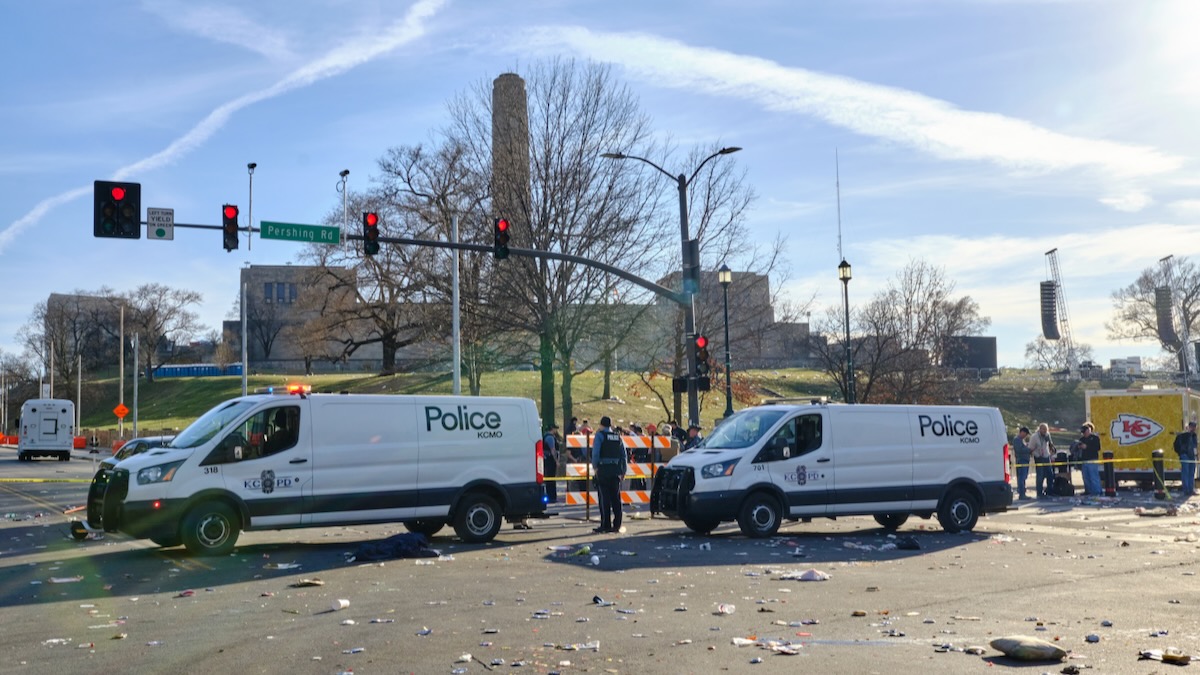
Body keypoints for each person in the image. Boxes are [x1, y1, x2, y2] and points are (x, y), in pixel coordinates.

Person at [590, 416, 626, 534]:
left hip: (603, 469)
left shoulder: (600, 436)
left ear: (601, 425)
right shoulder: (617, 436)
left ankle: (605, 524)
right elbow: (623, 455)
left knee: (604, 498)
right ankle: (617, 524)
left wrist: (595, 467)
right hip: (615, 470)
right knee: (616, 498)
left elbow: (596, 453)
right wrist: (623, 470)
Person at [1027, 423, 1056, 498]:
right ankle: (1039, 492)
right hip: (1039, 457)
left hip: (1046, 456)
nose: (1045, 431)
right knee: (1040, 475)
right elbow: (1030, 448)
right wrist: (1035, 454)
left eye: (1046, 430)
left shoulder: (1047, 435)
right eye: (1043, 429)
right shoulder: (1034, 437)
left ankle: (1050, 491)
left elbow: (1050, 444)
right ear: (1040, 429)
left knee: (1050, 474)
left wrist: (1052, 450)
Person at [1174, 421, 1198, 497]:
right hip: (1185, 455)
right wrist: (1181, 453)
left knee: (1191, 473)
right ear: (1189, 427)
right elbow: (1177, 445)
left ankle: (1191, 489)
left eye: (1194, 427)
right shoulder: (1183, 435)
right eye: (1192, 426)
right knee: (1186, 472)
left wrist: (1196, 454)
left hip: (1192, 456)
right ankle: (1186, 490)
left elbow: (1195, 446)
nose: (1193, 428)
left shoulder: (1194, 435)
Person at [1077, 422, 1102, 496]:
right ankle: (1088, 490)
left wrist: (1087, 447)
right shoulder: (1082, 439)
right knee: (1086, 477)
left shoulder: (1095, 438)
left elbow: (1097, 448)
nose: (1084, 434)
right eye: (1083, 432)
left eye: (1085, 432)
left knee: (1093, 476)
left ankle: (1097, 491)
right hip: (1084, 460)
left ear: (1089, 430)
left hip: (1092, 459)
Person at [1011, 426, 1032, 500]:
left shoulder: (1022, 440)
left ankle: (1023, 492)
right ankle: (1021, 493)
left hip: (1025, 460)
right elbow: (1019, 450)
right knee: (1021, 477)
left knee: (1023, 477)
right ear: (1022, 432)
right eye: (1025, 434)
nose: (1026, 436)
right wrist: (1029, 449)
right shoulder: (1017, 440)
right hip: (1021, 460)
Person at [542, 422, 560, 504]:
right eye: (555, 428)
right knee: (551, 478)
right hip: (550, 460)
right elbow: (552, 449)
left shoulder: (546, 436)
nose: (556, 430)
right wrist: (556, 460)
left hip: (547, 459)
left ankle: (551, 496)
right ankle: (552, 497)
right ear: (552, 429)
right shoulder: (550, 438)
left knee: (549, 478)